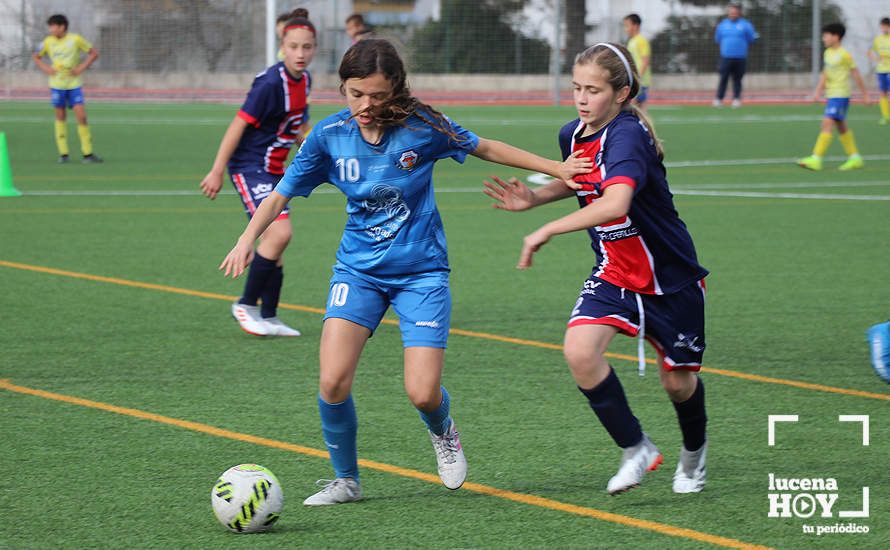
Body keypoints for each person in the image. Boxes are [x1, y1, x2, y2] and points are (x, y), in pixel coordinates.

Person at [219, 38, 591, 505]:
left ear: (395, 87)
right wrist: (246, 238)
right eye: (356, 95)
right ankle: (346, 481)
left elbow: (486, 146)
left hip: (422, 274)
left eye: (377, 95)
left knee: (421, 392)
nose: (366, 106)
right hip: (358, 271)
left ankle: (443, 430)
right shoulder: (329, 136)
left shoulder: (424, 125)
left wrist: (555, 167)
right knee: (332, 381)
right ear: (344, 89)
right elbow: (280, 193)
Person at [483, 43, 710, 495]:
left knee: (678, 384)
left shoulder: (627, 135)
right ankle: (636, 448)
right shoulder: (573, 133)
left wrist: (546, 229)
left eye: (594, 90)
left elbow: (616, 201)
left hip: (669, 277)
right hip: (613, 270)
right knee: (580, 352)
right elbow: (580, 181)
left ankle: (693, 456)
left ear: (622, 93)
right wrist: (535, 198)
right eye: (576, 88)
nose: (582, 99)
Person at [200, 12, 317, 336]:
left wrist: (314, 148)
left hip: (276, 170)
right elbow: (238, 124)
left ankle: (270, 316)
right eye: (293, 46)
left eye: (307, 47)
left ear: (315, 49)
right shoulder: (269, 83)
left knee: (273, 243)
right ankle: (247, 304)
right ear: (282, 46)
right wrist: (216, 170)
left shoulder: (304, 80)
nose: (300, 53)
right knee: (279, 234)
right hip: (251, 166)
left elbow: (297, 125)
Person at [797, 23, 870, 171]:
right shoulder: (827, 53)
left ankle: (816, 159)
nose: (823, 38)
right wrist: (817, 92)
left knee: (827, 123)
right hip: (832, 95)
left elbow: (855, 74)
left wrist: (865, 94)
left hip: (841, 95)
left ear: (836, 37)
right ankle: (855, 158)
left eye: (826, 35)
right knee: (841, 126)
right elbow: (825, 74)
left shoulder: (844, 55)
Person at [32, 14, 102, 164]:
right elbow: (36, 57)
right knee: (60, 117)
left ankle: (87, 154)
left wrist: (81, 67)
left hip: (74, 85)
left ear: (62, 27)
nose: (50, 29)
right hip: (57, 86)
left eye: (53, 26)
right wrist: (46, 68)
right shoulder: (47, 42)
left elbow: (94, 53)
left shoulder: (75, 39)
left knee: (82, 117)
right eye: (50, 26)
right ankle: (63, 154)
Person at [713, 3, 757, 108]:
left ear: (739, 13)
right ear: (728, 12)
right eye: (731, 12)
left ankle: (736, 99)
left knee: (737, 79)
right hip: (726, 57)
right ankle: (719, 99)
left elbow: (751, 39)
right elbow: (717, 39)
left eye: (735, 12)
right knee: (723, 78)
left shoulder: (746, 25)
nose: (733, 14)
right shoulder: (722, 25)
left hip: (740, 57)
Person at [623, 13, 651, 112]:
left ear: (635, 26)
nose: (625, 29)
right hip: (635, 79)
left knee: (636, 108)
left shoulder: (641, 41)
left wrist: (638, 77)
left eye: (627, 26)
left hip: (640, 81)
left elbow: (645, 61)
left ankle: (645, 127)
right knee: (637, 108)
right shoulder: (632, 41)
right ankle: (644, 126)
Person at [868, 17, 890, 125]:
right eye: (883, 26)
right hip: (881, 70)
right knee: (883, 93)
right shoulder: (878, 39)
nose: (885, 28)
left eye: (887, 26)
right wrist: (875, 58)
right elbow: (870, 52)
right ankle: (885, 116)